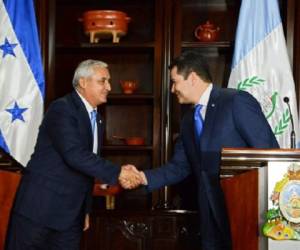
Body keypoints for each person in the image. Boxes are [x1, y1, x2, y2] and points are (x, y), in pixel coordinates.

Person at [119, 51, 279, 250]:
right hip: (208, 215)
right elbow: (179, 167)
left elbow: (269, 152)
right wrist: (143, 177)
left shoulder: (235, 101)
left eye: (175, 81)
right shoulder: (188, 121)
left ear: (192, 78)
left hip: (243, 211)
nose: (172, 88)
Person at [5, 59, 141, 250]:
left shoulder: (98, 120)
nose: (109, 87)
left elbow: (86, 170)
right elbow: (74, 154)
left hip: (70, 217)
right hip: (39, 211)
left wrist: (84, 210)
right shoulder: (62, 109)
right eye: (103, 81)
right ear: (83, 82)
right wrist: (119, 172)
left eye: (108, 81)